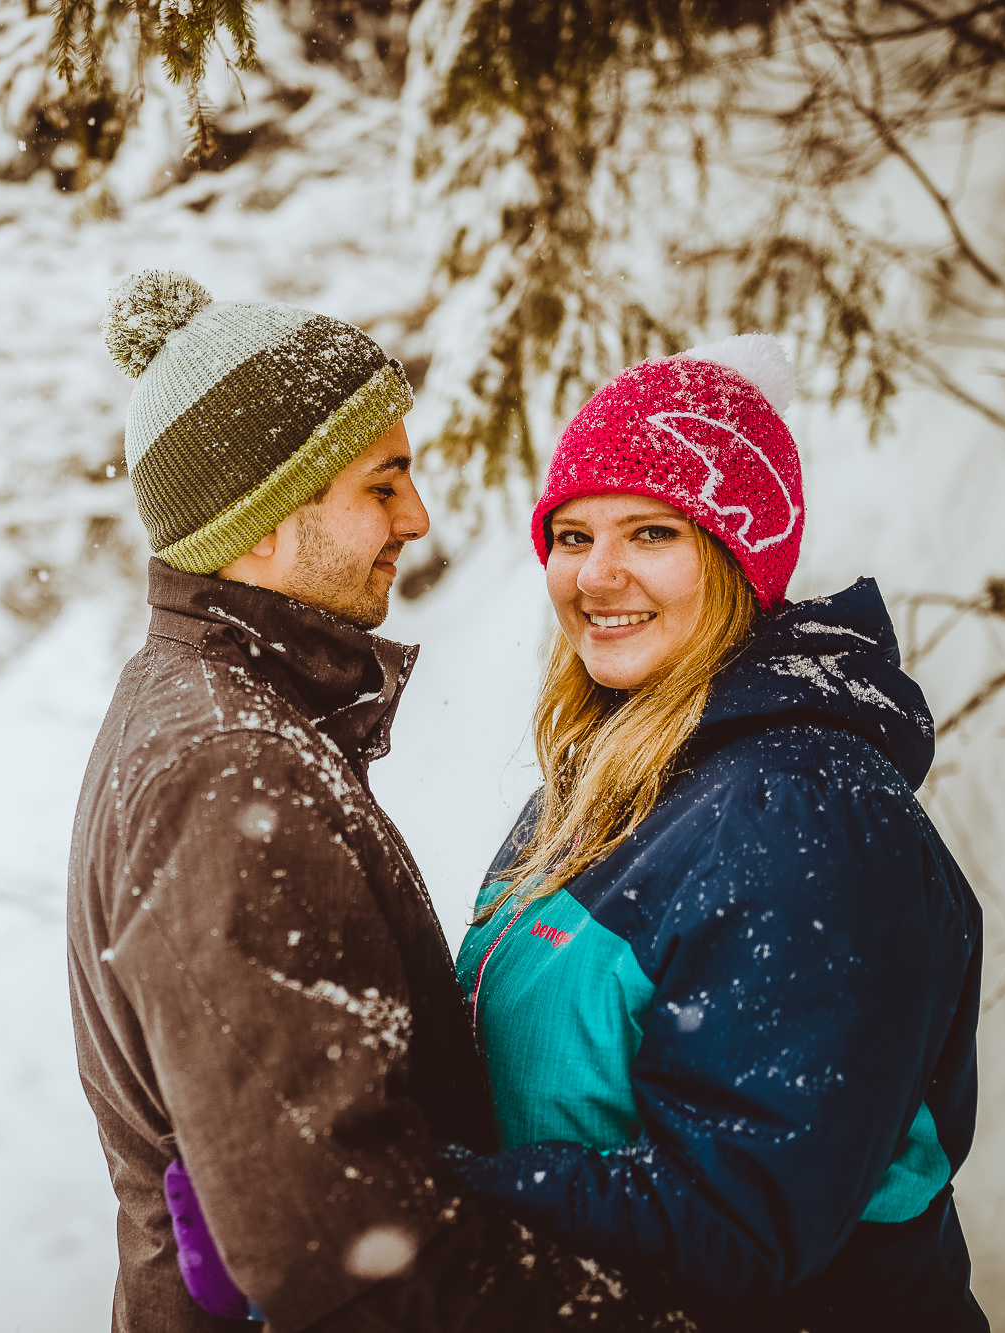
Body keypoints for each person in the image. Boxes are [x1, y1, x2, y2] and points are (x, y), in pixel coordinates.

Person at [66, 271, 688, 1331]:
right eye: (381, 482)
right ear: (260, 521)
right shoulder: (227, 766)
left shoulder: (214, 715)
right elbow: (340, 1241)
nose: (417, 514)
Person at [448, 337, 989, 1331]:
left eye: (649, 532)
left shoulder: (808, 811)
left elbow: (735, 1224)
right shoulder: (612, 770)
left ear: (741, 554)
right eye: (570, 535)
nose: (593, 575)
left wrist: (414, 1196)